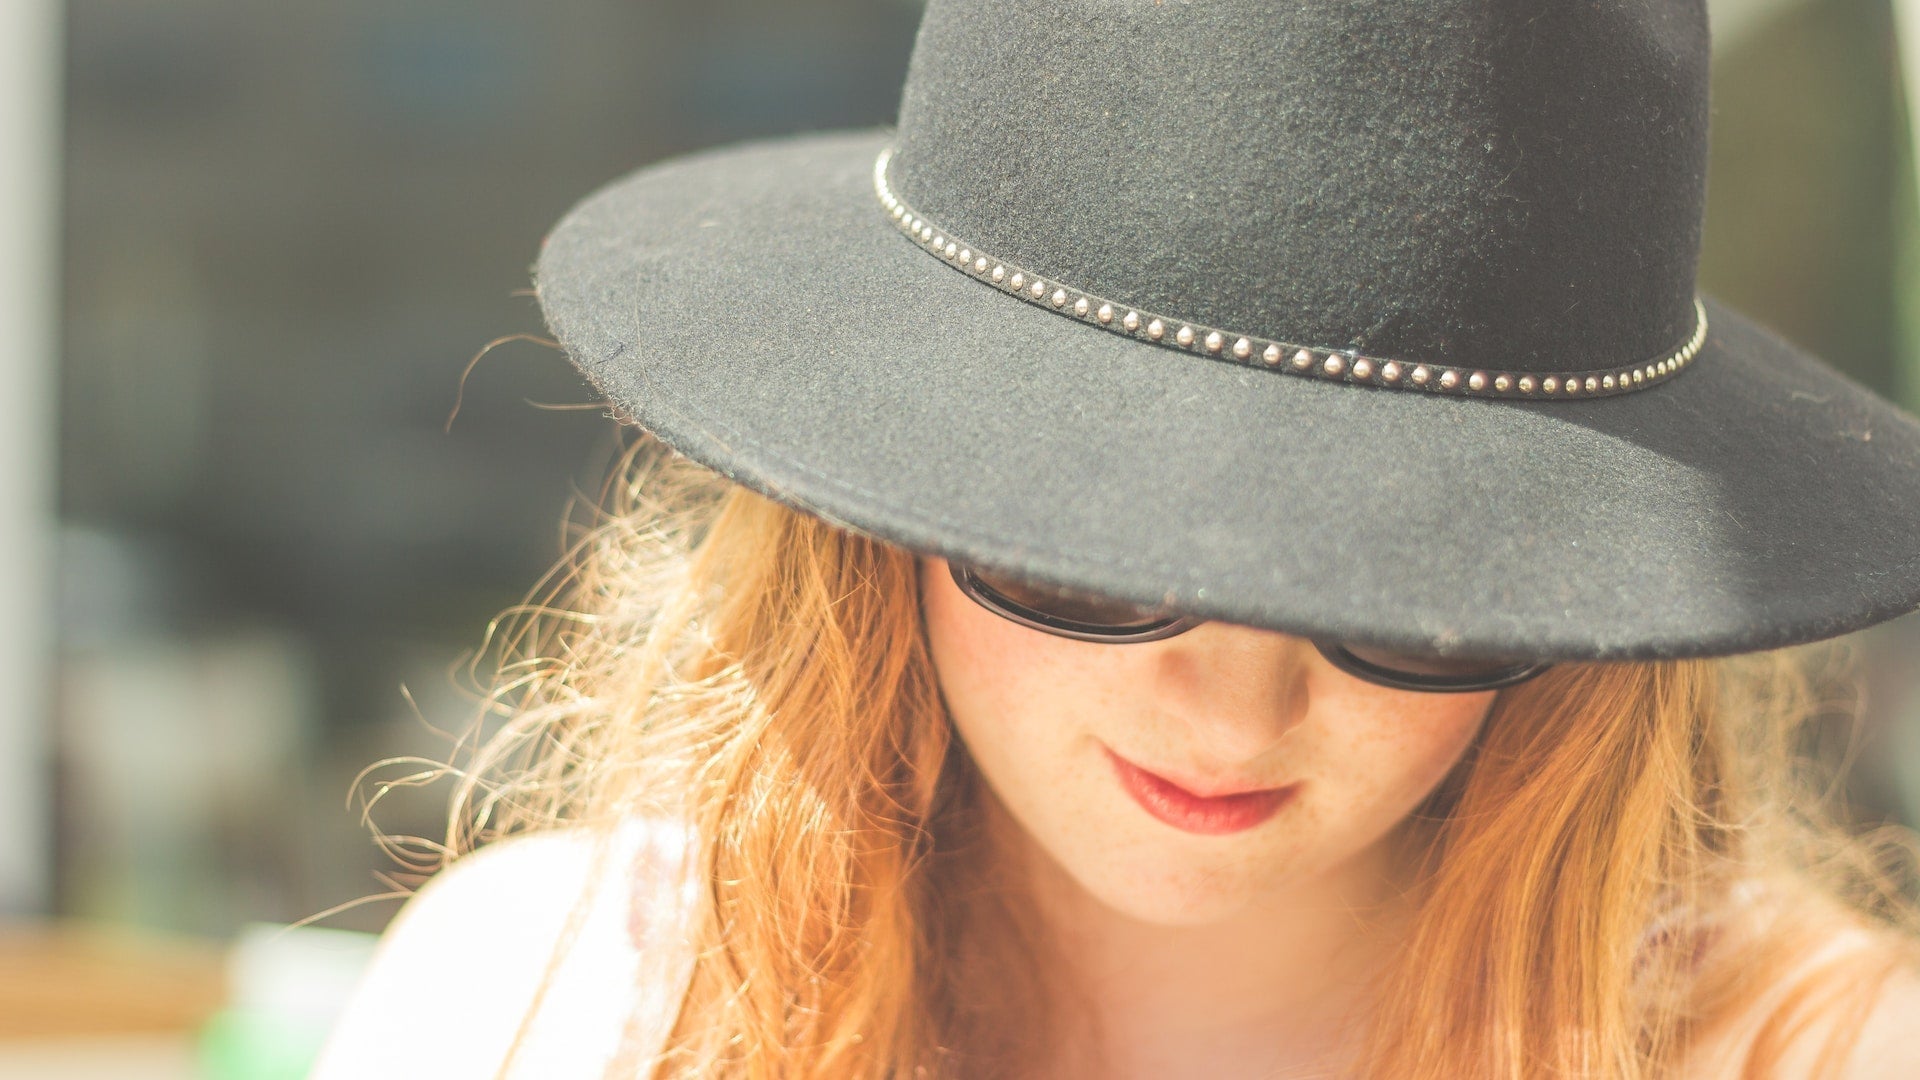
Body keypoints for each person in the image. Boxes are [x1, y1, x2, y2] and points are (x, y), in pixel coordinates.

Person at [314, 2, 1920, 1077]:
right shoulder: (562, 1008)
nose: (1233, 709)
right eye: (1092, 554)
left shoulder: (1811, 1054)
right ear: (880, 519)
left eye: (1410, 592)